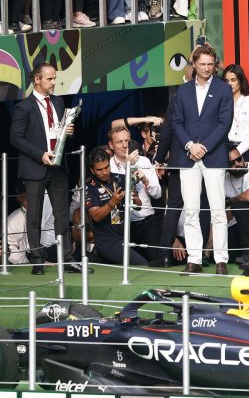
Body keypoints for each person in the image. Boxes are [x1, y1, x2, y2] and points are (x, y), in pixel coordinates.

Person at [9, 63, 85, 274]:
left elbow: (60, 132)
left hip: (57, 166)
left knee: (62, 213)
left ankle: (67, 258)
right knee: (34, 215)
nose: (54, 83)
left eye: (54, 78)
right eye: (49, 79)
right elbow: (15, 138)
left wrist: (68, 132)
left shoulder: (58, 102)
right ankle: (37, 260)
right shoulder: (24, 106)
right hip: (35, 167)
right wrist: (40, 154)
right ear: (37, 79)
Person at [171, 43, 233, 274]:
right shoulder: (183, 90)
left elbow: (224, 124)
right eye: (202, 64)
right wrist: (190, 145)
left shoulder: (224, 89)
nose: (207, 68)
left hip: (213, 156)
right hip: (187, 156)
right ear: (194, 65)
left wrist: (203, 147)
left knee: (218, 211)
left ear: (215, 65)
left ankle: (221, 260)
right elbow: (177, 122)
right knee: (190, 211)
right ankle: (194, 260)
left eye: (210, 64)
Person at [107, 125, 162, 264]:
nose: (125, 145)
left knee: (156, 261)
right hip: (121, 224)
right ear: (111, 145)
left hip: (147, 220)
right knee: (127, 263)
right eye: (119, 142)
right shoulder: (108, 167)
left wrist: (146, 180)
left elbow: (158, 194)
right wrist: (128, 167)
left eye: (127, 141)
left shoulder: (144, 161)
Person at [85, 146, 147, 265]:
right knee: (142, 264)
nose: (105, 172)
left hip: (126, 236)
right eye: (100, 169)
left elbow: (138, 206)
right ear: (92, 170)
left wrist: (134, 199)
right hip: (107, 241)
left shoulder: (121, 178)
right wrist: (111, 203)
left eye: (107, 167)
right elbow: (95, 216)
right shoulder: (89, 187)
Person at [224, 147, 249, 264]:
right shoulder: (224, 178)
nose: (237, 164)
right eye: (232, 163)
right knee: (229, 256)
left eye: (239, 159)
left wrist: (230, 202)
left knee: (241, 206)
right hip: (237, 224)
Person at [223, 64, 249, 162]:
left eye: (233, 80)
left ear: (240, 80)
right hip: (224, 149)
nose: (229, 84)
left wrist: (238, 151)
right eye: (226, 81)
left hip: (245, 149)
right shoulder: (222, 102)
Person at [7, 185, 53, 265]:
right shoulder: (11, 220)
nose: (32, 195)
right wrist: (29, 263)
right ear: (19, 197)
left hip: (51, 252)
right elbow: (12, 250)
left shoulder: (49, 209)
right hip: (27, 260)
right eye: (27, 192)